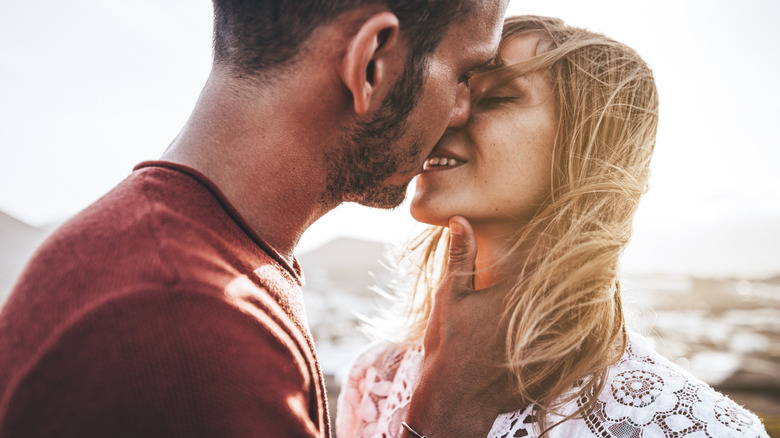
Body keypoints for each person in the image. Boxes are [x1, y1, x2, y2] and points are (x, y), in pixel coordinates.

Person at [0, 1, 513, 436]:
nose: (462, 111)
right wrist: (445, 413)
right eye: (463, 74)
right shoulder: (193, 328)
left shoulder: (185, 257)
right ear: (372, 63)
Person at [337, 15, 770, 438]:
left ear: (588, 148)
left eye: (497, 96)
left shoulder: (694, 427)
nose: (449, 114)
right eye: (453, 89)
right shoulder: (375, 379)